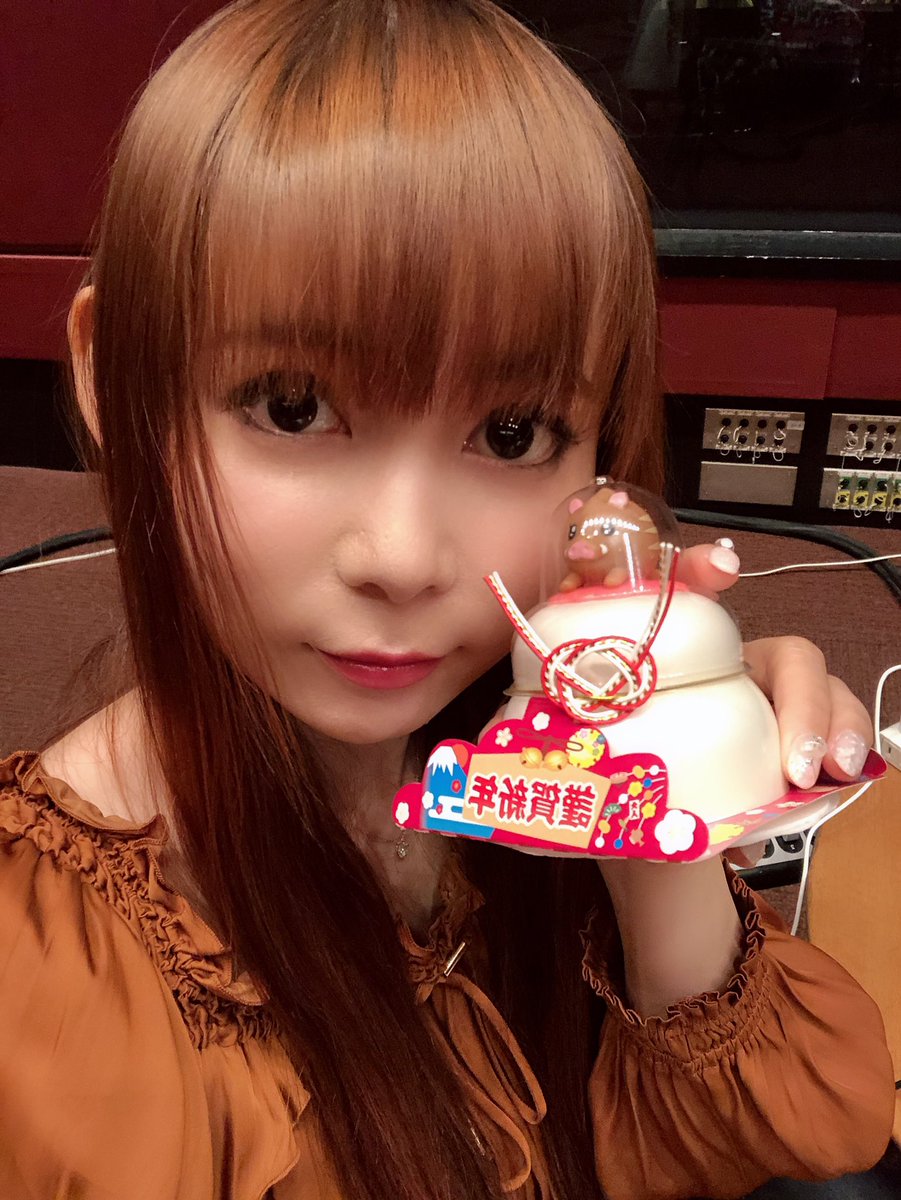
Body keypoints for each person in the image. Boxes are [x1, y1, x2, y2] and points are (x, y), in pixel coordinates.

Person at [0, 2, 894, 1198]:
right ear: (118, 380)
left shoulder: (514, 786)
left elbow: (776, 1149)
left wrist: (668, 798)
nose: (405, 556)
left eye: (512, 431)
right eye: (291, 407)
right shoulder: (42, 979)